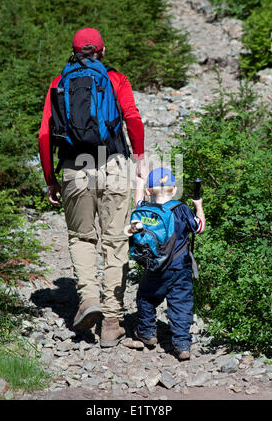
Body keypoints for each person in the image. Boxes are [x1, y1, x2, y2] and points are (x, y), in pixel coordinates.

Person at [39, 27, 146, 347]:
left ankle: (88, 300)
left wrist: (50, 179)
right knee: (116, 241)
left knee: (82, 237)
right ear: (102, 50)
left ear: (74, 51)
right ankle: (112, 321)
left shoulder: (59, 83)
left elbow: (44, 135)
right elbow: (133, 119)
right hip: (113, 164)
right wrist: (139, 159)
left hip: (75, 169)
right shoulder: (116, 79)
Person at [129, 168, 205, 360]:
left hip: (154, 267)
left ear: (148, 192)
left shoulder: (144, 210)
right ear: (174, 190)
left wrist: (140, 182)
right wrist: (199, 206)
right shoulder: (181, 209)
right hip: (180, 268)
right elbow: (200, 228)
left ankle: (147, 333)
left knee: (145, 297)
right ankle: (182, 345)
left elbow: (136, 202)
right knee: (181, 304)